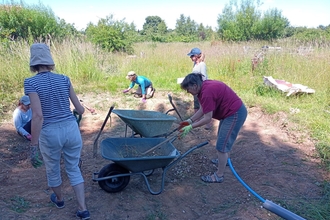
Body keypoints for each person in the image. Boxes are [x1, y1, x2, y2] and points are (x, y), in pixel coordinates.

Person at [24, 43, 90, 219]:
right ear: (49, 61)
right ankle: (83, 209)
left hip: (50, 132)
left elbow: (38, 116)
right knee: (73, 168)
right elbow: (80, 110)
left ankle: (59, 199)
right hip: (70, 128)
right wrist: (76, 112)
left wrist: (33, 146)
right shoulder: (64, 79)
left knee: (53, 169)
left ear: (33, 63)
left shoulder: (30, 83)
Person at [178, 73, 247, 183]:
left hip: (235, 114)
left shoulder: (206, 93)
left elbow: (207, 118)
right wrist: (189, 121)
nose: (188, 92)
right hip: (229, 113)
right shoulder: (203, 88)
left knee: (221, 145)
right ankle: (223, 161)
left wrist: (190, 127)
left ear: (195, 85)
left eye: (188, 89)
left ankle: (218, 176)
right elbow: (202, 109)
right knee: (222, 140)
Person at [187, 47, 211, 130]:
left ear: (196, 56)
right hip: (194, 87)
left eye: (192, 56)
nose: (190, 58)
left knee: (204, 106)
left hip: (200, 88)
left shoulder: (202, 64)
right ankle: (196, 122)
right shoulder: (195, 64)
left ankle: (207, 124)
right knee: (196, 105)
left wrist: (201, 89)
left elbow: (204, 77)